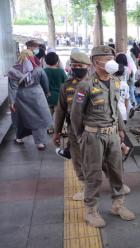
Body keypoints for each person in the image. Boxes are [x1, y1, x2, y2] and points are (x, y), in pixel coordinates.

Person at [70, 45, 135, 228]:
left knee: (116, 171)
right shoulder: (86, 85)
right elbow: (76, 114)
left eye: (111, 60)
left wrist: (121, 130)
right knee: (94, 174)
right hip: (93, 136)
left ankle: (118, 205)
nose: (110, 64)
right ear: (94, 62)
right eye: (105, 61)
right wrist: (81, 135)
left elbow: (117, 108)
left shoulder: (115, 82)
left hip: (113, 135)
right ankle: (91, 211)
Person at [53, 51, 91, 201]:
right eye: (73, 65)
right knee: (77, 159)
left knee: (101, 159)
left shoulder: (97, 83)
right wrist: (56, 131)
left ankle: (116, 186)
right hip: (74, 130)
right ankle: (85, 187)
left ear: (88, 66)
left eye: (79, 66)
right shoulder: (66, 86)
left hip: (94, 129)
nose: (76, 68)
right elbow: (61, 109)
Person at [8, 49, 52, 150]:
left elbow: (13, 88)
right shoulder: (38, 68)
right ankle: (40, 143)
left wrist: (12, 102)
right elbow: (45, 81)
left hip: (20, 97)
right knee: (39, 118)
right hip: (37, 96)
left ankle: (19, 138)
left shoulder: (13, 70)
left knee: (21, 118)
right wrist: (47, 92)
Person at [44, 52, 68, 134]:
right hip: (59, 97)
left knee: (48, 115)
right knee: (60, 115)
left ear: (46, 61)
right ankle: (63, 129)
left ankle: (50, 129)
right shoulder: (61, 71)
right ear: (57, 61)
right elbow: (66, 82)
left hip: (47, 97)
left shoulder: (44, 71)